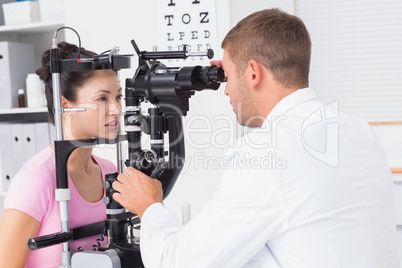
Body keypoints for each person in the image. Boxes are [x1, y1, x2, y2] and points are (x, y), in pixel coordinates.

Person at [112, 8, 399, 268]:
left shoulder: (266, 153)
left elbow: (177, 263)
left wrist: (150, 208)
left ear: (252, 73)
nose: (226, 91)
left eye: (228, 76)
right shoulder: (358, 130)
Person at [0, 41, 122, 267]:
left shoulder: (110, 172)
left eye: (118, 97)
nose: (117, 109)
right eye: (102, 98)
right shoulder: (36, 180)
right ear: (65, 103)